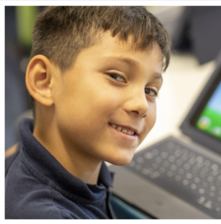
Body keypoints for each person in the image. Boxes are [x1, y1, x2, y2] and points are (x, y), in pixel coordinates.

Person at [5, 6, 170, 218]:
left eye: (150, 90)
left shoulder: (25, 150)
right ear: (44, 81)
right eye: (116, 76)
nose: (141, 105)